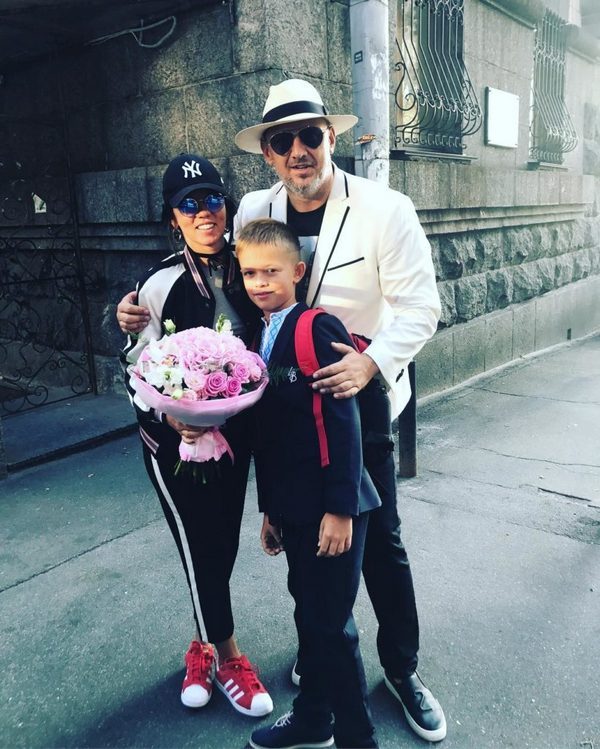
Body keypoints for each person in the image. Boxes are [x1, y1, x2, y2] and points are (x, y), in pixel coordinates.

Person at [117, 79, 446, 742]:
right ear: (268, 154)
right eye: (282, 140)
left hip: (357, 400)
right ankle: (321, 666)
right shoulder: (257, 208)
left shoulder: (385, 209)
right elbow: (211, 266)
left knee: (378, 545)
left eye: (309, 135)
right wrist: (134, 310)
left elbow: (422, 308)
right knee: (304, 554)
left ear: (331, 137)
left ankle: (401, 668)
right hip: (285, 416)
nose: (298, 150)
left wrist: (371, 364)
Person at [120, 153, 273, 718]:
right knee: (199, 544)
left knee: (222, 543)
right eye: (189, 205)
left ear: (226, 206)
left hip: (236, 440)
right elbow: (135, 368)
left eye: (211, 199)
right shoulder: (157, 284)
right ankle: (229, 656)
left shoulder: (249, 266)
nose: (203, 212)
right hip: (173, 446)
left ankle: (200, 645)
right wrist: (168, 418)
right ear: (173, 217)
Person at [237, 218, 380, 749]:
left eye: (271, 272)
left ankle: (358, 738)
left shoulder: (314, 329)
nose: (259, 283)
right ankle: (314, 718)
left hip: (332, 508)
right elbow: (271, 437)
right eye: (249, 273)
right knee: (310, 612)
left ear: (297, 272)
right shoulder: (259, 336)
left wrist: (341, 510)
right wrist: (270, 511)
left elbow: (343, 424)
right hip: (294, 507)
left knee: (330, 625)